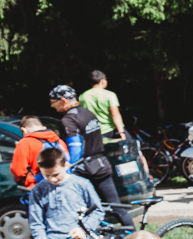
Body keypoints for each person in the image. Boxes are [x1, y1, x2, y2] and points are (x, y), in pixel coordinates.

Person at [50, 84, 133, 231]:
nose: (52, 106)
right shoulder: (87, 113)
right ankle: (135, 237)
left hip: (84, 169)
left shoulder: (68, 120)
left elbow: (76, 149)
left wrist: (67, 170)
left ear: (63, 100)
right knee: (117, 208)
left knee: (81, 210)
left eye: (53, 102)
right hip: (101, 164)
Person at [27, 150, 102, 239]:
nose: (52, 179)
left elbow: (98, 211)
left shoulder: (82, 184)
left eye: (56, 174)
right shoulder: (38, 190)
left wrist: (84, 229)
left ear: (65, 165)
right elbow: (36, 222)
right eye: (47, 175)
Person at [10, 115, 66, 187]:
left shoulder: (25, 143)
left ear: (24, 130)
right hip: (61, 185)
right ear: (44, 128)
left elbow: (18, 171)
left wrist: (28, 182)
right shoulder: (59, 141)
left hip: (37, 187)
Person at [79, 70, 126, 139]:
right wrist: (121, 132)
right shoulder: (110, 95)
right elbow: (115, 114)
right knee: (133, 144)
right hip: (110, 130)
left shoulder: (83, 96)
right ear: (102, 81)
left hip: (93, 132)